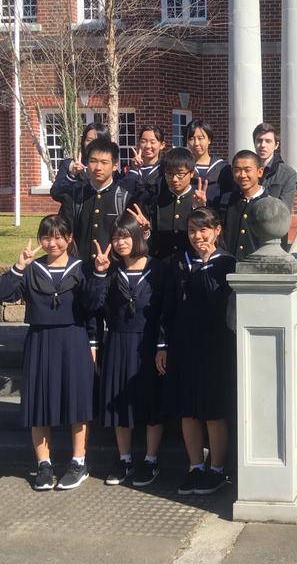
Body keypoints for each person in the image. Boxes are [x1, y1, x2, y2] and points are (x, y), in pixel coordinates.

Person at [0, 215, 95, 491]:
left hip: (74, 338)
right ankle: (44, 465)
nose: (53, 243)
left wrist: (94, 343)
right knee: (39, 403)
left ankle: (78, 462)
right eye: (47, 237)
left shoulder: (82, 268)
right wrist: (19, 266)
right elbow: (2, 293)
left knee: (77, 402)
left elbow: (93, 307)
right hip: (40, 339)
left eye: (59, 237)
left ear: (69, 238)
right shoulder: (32, 269)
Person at [157, 207, 237, 496]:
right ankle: (195, 466)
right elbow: (168, 306)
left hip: (216, 346)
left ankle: (217, 469)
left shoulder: (228, 263)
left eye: (203, 230)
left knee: (213, 410)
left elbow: (223, 303)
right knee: (188, 410)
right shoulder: (179, 262)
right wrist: (163, 344)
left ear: (217, 230)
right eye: (192, 230)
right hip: (184, 344)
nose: (197, 236)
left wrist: (205, 262)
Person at [86, 213, 167, 487]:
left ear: (137, 237)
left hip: (148, 343)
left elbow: (165, 310)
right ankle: (124, 459)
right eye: (116, 237)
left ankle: (151, 459)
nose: (120, 242)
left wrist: (162, 344)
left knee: (151, 401)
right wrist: (99, 273)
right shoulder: (109, 270)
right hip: (118, 342)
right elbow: (93, 305)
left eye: (125, 236)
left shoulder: (158, 269)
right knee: (119, 404)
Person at [50, 137, 133, 263]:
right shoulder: (74, 196)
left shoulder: (124, 198)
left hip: (113, 268)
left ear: (115, 166)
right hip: (79, 268)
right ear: (87, 163)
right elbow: (63, 232)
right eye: (93, 161)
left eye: (104, 162)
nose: (98, 167)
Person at [135, 147, 200, 266]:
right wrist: (146, 232)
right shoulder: (155, 201)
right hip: (162, 266)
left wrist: (200, 208)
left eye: (180, 174)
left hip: (191, 265)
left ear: (191, 173)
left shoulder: (200, 200)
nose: (174, 179)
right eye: (169, 174)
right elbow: (152, 242)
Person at [212, 150, 268, 261]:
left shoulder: (270, 204)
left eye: (247, 170)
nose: (242, 175)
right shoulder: (226, 200)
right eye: (237, 170)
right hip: (229, 264)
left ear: (260, 172)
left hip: (258, 265)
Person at [253, 122, 297, 212]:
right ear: (254, 143)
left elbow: (284, 209)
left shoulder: (287, 174)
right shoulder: (245, 171)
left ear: (276, 145)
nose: (263, 145)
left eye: (268, 141)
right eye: (259, 141)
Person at [186, 119, 232, 200]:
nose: (196, 143)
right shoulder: (184, 167)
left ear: (209, 140)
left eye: (200, 138)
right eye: (191, 139)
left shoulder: (223, 168)